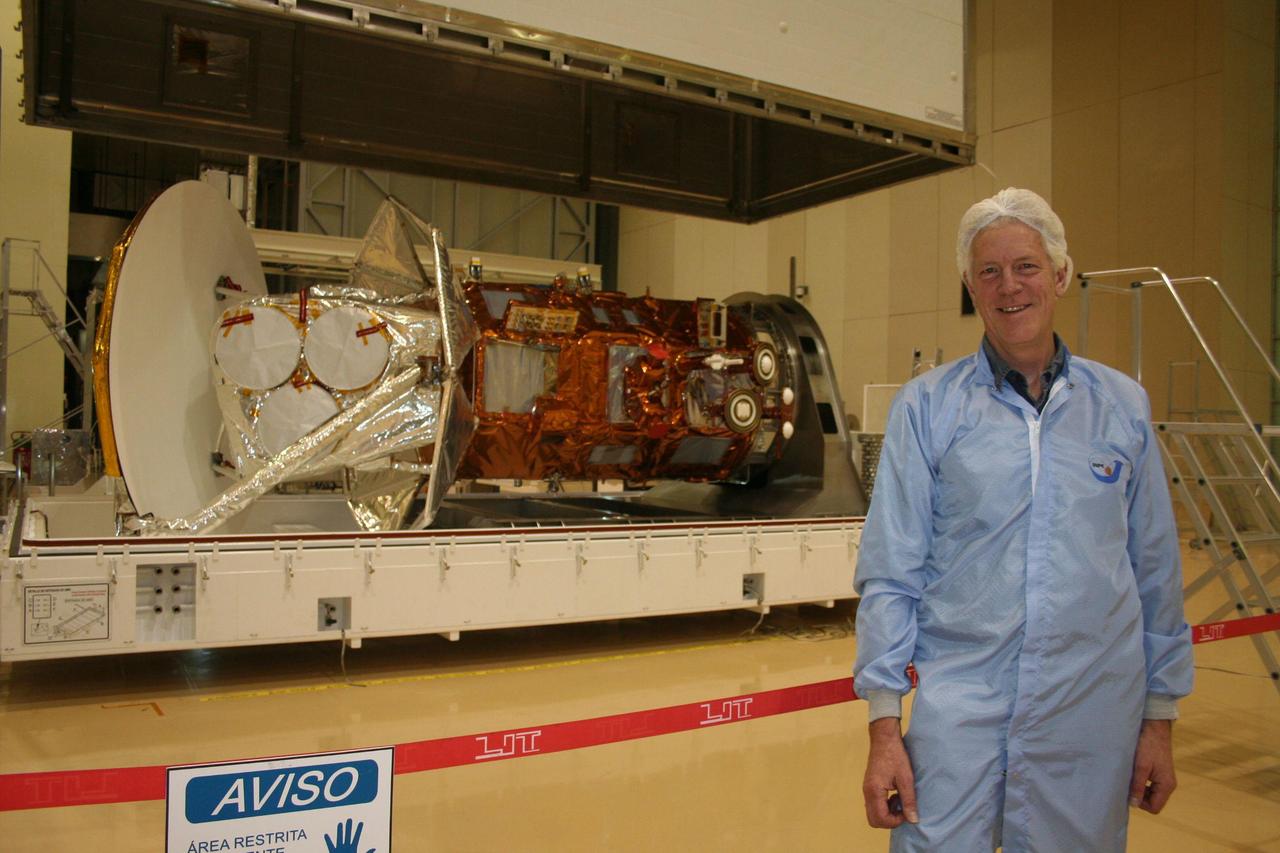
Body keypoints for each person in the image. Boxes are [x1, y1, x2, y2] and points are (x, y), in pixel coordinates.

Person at [852, 187, 1193, 851]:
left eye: (1027, 266)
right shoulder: (928, 409)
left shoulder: (1121, 408)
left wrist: (1159, 719)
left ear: (1061, 275)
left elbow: (1155, 571)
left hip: (1089, 717)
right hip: (960, 713)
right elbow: (891, 569)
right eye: (989, 271)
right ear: (970, 288)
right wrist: (885, 724)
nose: (1010, 287)